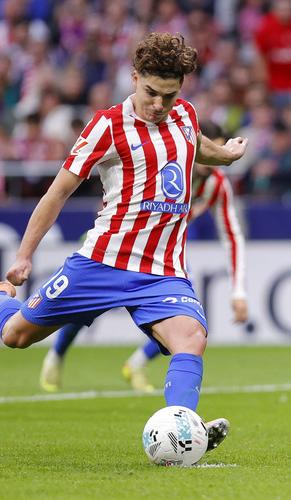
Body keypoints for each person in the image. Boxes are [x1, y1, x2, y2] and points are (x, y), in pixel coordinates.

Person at [0, 33, 248, 455]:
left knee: (192, 337)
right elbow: (58, 192)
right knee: (15, 335)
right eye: (151, 93)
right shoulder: (107, 126)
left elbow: (198, 147)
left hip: (162, 272)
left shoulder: (185, 116)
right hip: (101, 262)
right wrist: (23, 256)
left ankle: (185, 430)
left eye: (169, 96)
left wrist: (226, 155)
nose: (159, 105)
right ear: (135, 77)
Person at [38, 121, 250, 393]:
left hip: (161, 255)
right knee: (87, 306)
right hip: (115, 243)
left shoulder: (217, 185)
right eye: (209, 150)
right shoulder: (165, 162)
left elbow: (232, 235)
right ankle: (56, 354)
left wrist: (239, 291)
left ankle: (136, 364)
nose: (211, 163)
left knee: (187, 315)